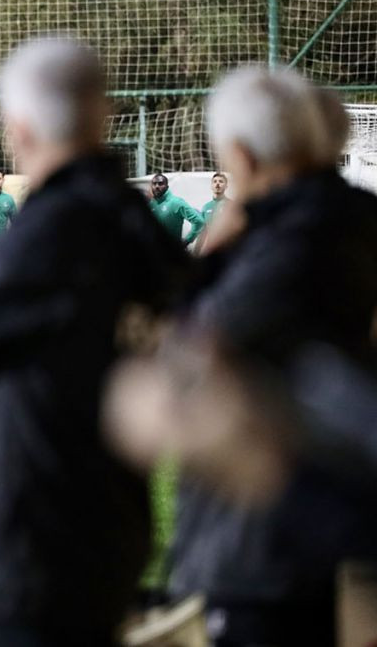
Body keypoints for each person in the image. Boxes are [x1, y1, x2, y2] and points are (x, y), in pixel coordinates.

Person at [0, 39, 188, 645]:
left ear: (18, 129)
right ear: (103, 114)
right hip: (100, 525)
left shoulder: (61, 227)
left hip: (16, 547)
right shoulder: (135, 228)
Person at [159, 66, 377, 645]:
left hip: (276, 541)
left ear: (243, 156)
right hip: (328, 533)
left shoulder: (291, 246)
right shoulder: (352, 224)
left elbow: (188, 348)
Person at [148, 173, 205, 245]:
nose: (157, 186)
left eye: (160, 184)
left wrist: (187, 240)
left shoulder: (176, 202)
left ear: (167, 186)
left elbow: (199, 221)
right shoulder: (150, 205)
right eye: (154, 184)